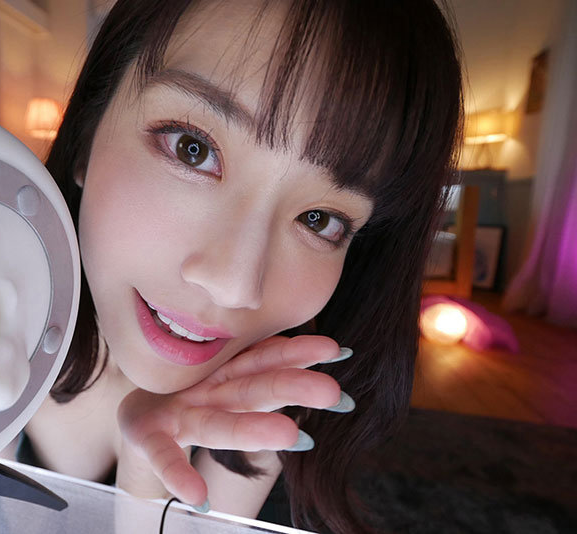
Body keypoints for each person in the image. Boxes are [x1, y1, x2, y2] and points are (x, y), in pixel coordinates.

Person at [23, 0, 463, 532]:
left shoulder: (271, 402)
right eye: (192, 149)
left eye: (320, 219)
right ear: (87, 135)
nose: (234, 286)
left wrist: (147, 477)